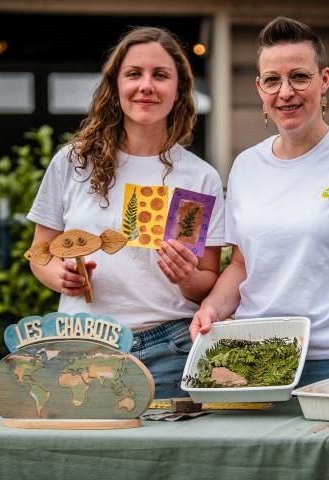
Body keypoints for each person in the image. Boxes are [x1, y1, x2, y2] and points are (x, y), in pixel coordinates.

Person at [190, 16, 329, 386]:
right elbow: (242, 264)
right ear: (259, 89)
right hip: (259, 362)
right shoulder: (245, 166)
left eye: (299, 76)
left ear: (324, 81)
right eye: (272, 80)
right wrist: (211, 306)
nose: (285, 91)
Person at [27, 26, 225, 398]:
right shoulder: (73, 162)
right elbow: (40, 254)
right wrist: (60, 276)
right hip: (81, 346)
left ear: (180, 89)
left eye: (160, 75)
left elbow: (207, 281)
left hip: (171, 349)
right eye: (134, 73)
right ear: (115, 86)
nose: (146, 85)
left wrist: (186, 276)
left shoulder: (200, 177)